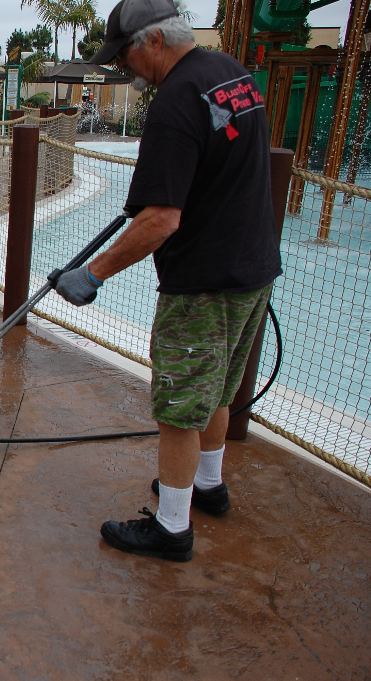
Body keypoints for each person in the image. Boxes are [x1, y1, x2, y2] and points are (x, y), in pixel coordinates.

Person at [53, 0, 282, 562]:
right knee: (218, 389)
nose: (124, 68)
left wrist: (91, 274)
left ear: (153, 41)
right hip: (254, 269)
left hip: (203, 282)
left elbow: (161, 220)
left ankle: (172, 528)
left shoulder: (175, 100)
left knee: (179, 405)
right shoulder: (231, 73)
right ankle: (208, 486)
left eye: (125, 55)